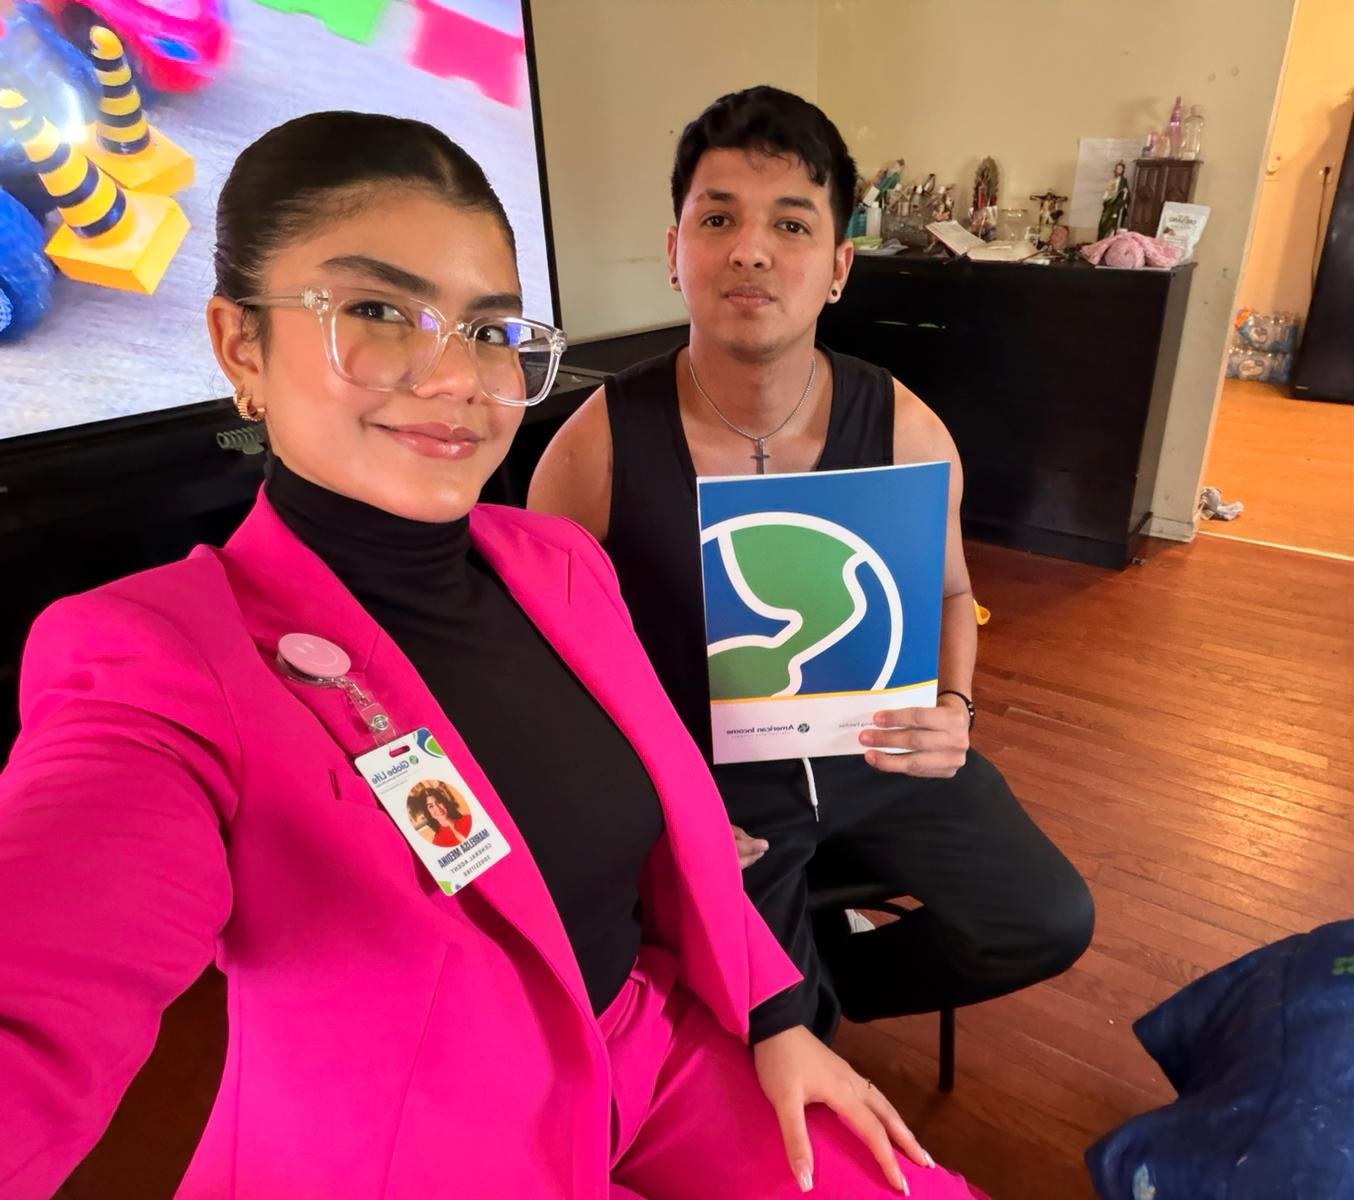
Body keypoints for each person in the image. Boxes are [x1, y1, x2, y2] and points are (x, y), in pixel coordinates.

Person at [0, 111, 985, 1199]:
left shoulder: (556, 563)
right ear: (241, 343)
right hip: (427, 1155)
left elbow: (685, 812)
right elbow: (37, 994)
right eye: (375, 311)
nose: (454, 376)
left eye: (487, 328)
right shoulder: (160, 659)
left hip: (657, 1054)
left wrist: (775, 1011)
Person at [527, 86, 1094, 1046]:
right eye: (718, 219)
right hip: (715, 794)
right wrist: (657, 805)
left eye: (790, 224)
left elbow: (955, 595)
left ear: (837, 268)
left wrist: (954, 711)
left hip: (880, 754)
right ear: (675, 253)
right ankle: (787, 1003)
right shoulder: (596, 448)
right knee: (779, 1043)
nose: (751, 249)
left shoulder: (906, 428)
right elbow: (546, 671)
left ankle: (827, 984)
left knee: (1044, 920)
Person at [406, 782, 472, 846]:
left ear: (444, 802)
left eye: (438, 802)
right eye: (431, 806)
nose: (437, 808)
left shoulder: (469, 819)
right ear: (428, 812)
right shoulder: (438, 842)